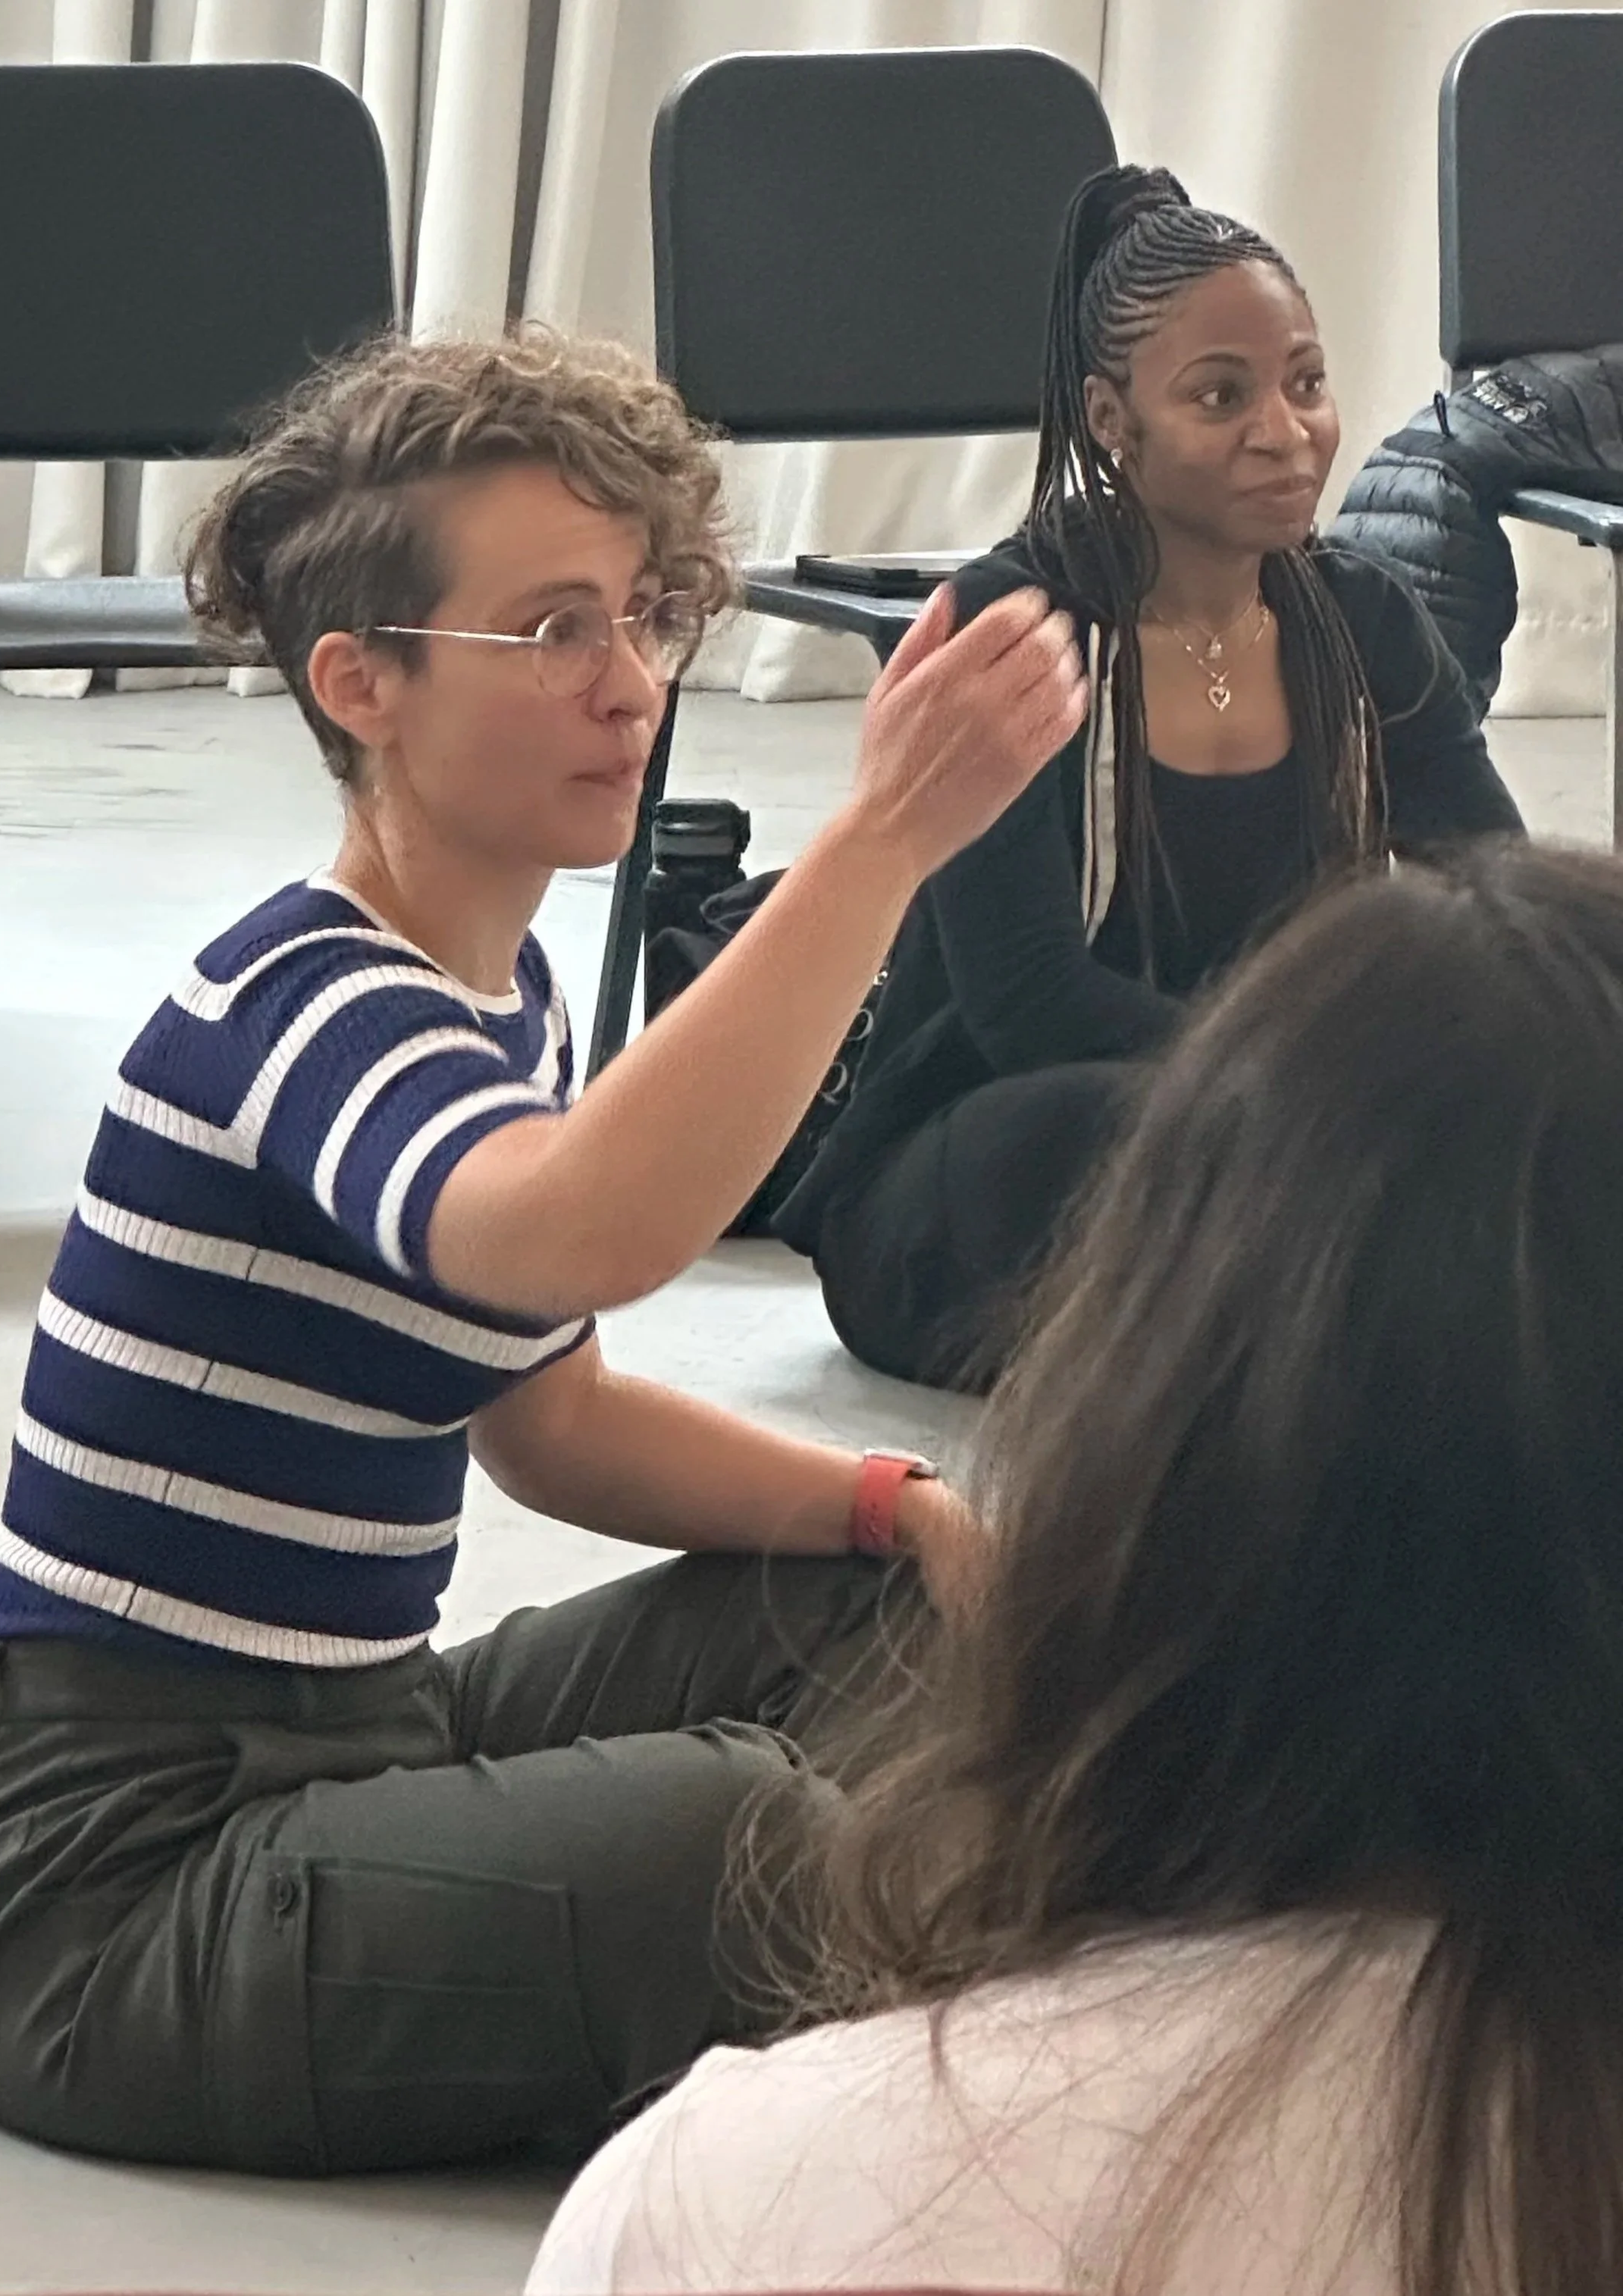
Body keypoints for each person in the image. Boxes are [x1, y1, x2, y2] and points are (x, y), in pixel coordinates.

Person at [0, 329, 1088, 2174]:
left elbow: (552, 1413)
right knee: (731, 1831)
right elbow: (580, 1235)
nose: (630, 688)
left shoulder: (497, 989)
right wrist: (881, 842)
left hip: (350, 1734)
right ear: (358, 682)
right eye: (552, 632)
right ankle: (964, 2016)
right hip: (93, 1884)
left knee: (879, 1602)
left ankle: (889, 1968)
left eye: (641, 616)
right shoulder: (291, 999)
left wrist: (889, 1502)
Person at [531, 838, 1623, 2296]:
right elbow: (1030, 998)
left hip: (1193, 1102)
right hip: (1041, 1112)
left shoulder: (733, 2203)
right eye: (558, 629)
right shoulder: (1045, 629)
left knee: (743, 1806)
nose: (621, 682)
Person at [775, 163, 1524, 1392]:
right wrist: (1321, 1084)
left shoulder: (1363, 622)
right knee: (1108, 1130)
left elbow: (1495, 888)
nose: (1285, 433)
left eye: (1307, 384)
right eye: (1221, 397)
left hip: (1283, 1138)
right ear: (1113, 422)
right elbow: (1027, 1002)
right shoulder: (1010, 628)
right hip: (997, 1176)